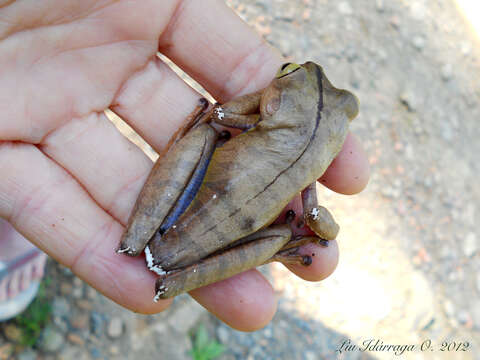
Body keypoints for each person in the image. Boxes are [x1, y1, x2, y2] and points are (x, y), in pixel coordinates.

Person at [0, 1, 369, 331]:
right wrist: (316, 229)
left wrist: (260, 104)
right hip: (218, 236)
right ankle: (183, 276)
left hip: (180, 211)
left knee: (208, 132)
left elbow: (222, 114)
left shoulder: (264, 115)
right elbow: (321, 223)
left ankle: (148, 252)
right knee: (283, 235)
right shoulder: (311, 184)